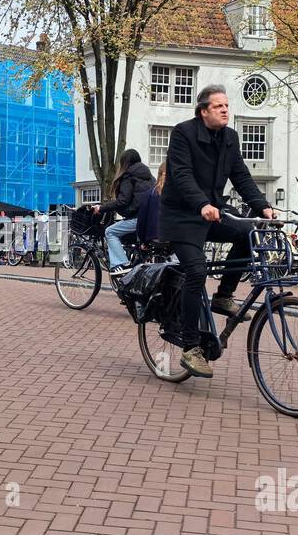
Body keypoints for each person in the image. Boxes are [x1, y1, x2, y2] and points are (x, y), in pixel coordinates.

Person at [160, 84, 275, 379]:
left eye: (227, 106)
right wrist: (201, 204)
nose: (225, 110)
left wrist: (262, 206)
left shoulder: (230, 138)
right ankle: (190, 348)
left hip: (212, 213)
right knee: (196, 272)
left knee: (248, 234)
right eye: (218, 106)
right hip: (182, 217)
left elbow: (241, 176)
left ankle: (223, 295)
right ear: (203, 111)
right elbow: (181, 174)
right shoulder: (183, 133)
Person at [95, 149, 156, 275]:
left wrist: (102, 208)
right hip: (153, 219)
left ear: (124, 162)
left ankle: (121, 264)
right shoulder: (150, 177)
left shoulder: (128, 176)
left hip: (138, 219)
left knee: (110, 231)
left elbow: (123, 201)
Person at [134, 161, 167, 248]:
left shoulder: (149, 194)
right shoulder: (181, 194)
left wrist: (143, 241)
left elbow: (142, 221)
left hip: (154, 237)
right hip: (177, 238)